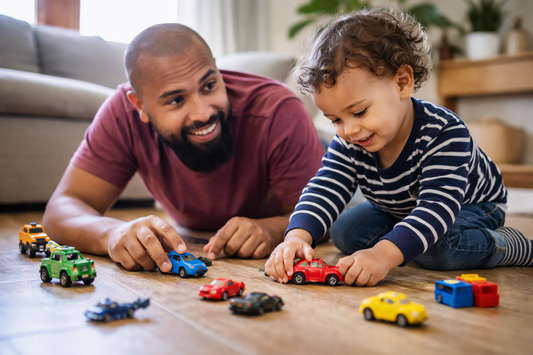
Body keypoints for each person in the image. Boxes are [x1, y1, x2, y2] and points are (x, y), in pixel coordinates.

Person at [265, 8, 533, 287]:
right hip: (400, 208)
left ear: (402, 83)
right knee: (344, 232)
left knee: (438, 251)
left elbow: (436, 208)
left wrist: (383, 254)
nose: (348, 130)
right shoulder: (350, 139)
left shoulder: (444, 132)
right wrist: (296, 237)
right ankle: (408, 237)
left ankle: (506, 244)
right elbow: (325, 186)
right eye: (335, 119)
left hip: (470, 205)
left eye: (359, 112)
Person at [42, 24, 324, 272]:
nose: (202, 113)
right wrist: (111, 233)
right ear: (140, 105)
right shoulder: (120, 115)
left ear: (216, 67)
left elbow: (326, 214)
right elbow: (61, 209)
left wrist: (273, 229)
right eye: (176, 100)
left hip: (331, 159)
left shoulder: (278, 110)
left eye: (209, 85)